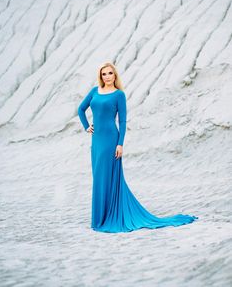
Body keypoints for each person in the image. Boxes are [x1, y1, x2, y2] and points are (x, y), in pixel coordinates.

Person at [77, 62, 198, 233]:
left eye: (110, 73)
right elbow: (81, 109)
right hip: (96, 141)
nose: (107, 76)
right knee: (98, 177)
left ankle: (105, 218)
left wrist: (120, 144)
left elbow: (123, 121)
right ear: (101, 76)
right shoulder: (94, 91)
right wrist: (86, 126)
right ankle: (98, 219)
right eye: (104, 74)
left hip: (111, 140)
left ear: (115, 75)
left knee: (108, 177)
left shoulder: (119, 95)